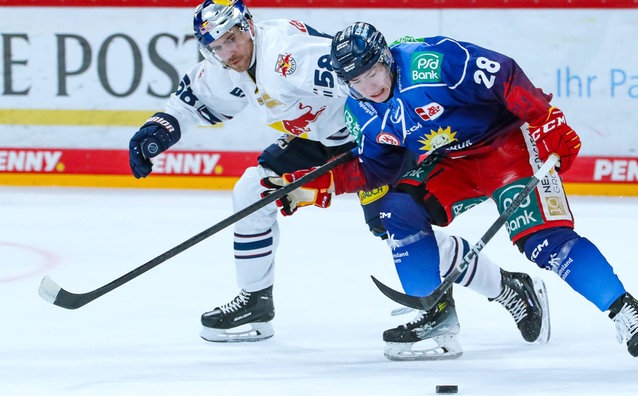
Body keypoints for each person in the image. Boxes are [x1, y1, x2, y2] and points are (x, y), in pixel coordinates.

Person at [127, 0, 548, 357]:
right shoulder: (224, 67)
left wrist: (398, 136)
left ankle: (507, 287)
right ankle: (256, 303)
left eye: (232, 40)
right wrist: (156, 132)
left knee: (398, 229)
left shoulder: (290, 58)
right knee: (252, 192)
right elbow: (191, 100)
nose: (228, 53)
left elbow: (366, 78)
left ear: (248, 26)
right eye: (216, 47)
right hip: (318, 138)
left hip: (371, 136)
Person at [263, 22, 638, 364]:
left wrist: (545, 118)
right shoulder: (361, 110)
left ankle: (629, 312)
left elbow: (503, 74)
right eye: (354, 80)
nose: (367, 86)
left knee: (542, 241)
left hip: (510, 144)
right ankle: (434, 316)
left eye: (371, 73)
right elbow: (377, 168)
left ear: (386, 58)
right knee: (398, 209)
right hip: (453, 162)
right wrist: (314, 187)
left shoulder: (431, 61)